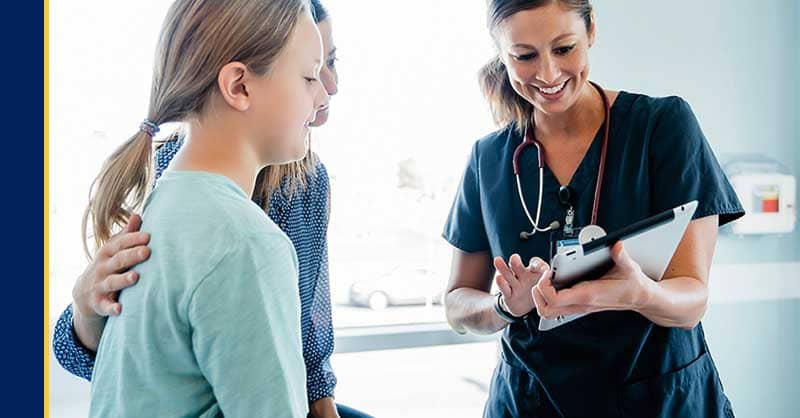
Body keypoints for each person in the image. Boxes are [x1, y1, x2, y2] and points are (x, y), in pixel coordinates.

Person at [53, 1, 371, 416]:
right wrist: (85, 308)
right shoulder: (248, 242)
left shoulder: (168, 201)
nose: (325, 89)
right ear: (239, 86)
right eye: (310, 73)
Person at [442, 1, 744, 416]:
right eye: (524, 55)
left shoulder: (662, 127)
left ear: (591, 32)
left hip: (655, 398)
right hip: (530, 402)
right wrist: (504, 307)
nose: (547, 74)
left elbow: (692, 298)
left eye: (564, 48)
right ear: (501, 54)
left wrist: (642, 294)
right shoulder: (489, 158)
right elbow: (457, 305)